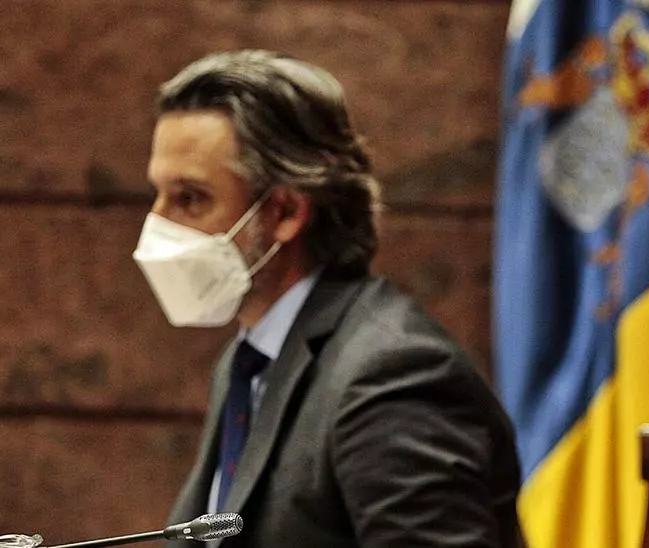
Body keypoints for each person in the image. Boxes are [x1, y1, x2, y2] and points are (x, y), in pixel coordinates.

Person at [136, 50, 524, 548]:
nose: (157, 224)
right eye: (157, 195)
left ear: (285, 213)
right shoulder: (247, 363)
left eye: (189, 198)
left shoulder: (392, 373)